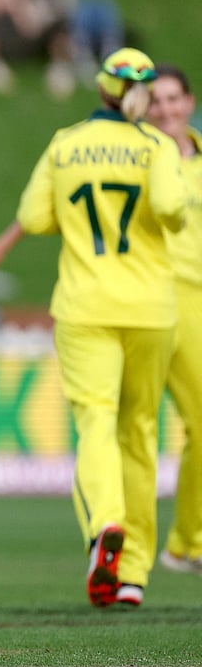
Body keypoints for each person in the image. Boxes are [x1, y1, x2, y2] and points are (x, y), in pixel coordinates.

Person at [0, 48, 185, 608]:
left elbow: (37, 218)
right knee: (139, 433)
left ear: (101, 87)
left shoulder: (66, 144)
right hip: (151, 309)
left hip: (85, 306)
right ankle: (133, 572)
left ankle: (105, 524)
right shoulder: (156, 145)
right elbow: (169, 207)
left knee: (95, 424)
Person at [144, 66, 202, 578]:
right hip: (143, 295)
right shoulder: (135, 156)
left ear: (189, 101)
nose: (164, 111)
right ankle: (124, 551)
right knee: (130, 428)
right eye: (154, 102)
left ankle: (187, 542)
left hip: (196, 304)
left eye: (172, 100)